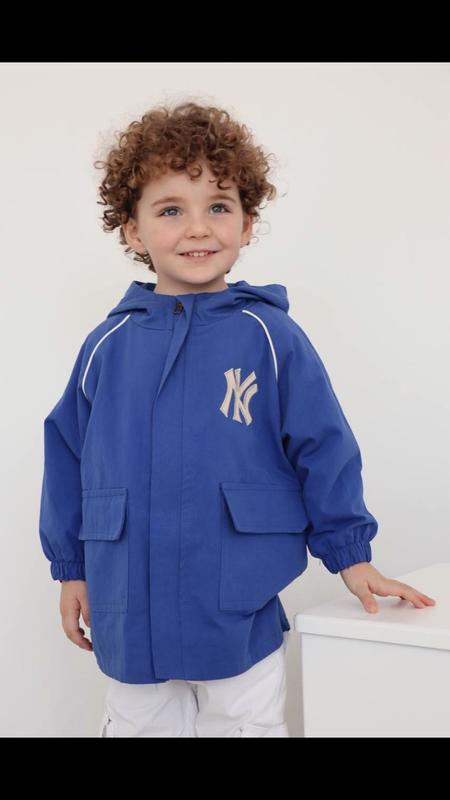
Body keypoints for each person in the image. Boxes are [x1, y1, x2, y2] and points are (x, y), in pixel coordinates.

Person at [38, 100, 436, 738]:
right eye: (171, 210)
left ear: (247, 224)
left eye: (219, 207)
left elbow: (323, 446)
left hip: (236, 597)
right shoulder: (106, 347)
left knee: (246, 723)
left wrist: (351, 556)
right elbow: (68, 459)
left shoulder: (270, 336)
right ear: (133, 231)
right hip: (128, 603)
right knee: (138, 724)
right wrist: (71, 569)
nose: (198, 228)